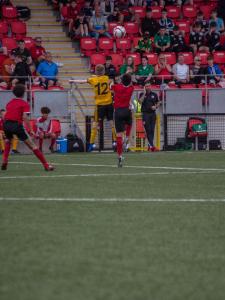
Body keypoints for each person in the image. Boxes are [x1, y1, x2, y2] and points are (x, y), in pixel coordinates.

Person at [1, 84, 54, 171]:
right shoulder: (24, 103)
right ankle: (46, 165)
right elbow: (25, 117)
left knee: (8, 141)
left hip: (6, 124)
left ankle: (5, 160)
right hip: (16, 125)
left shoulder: (9, 103)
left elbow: (7, 115)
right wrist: (31, 130)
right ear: (23, 93)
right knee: (33, 146)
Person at [70, 64, 116, 151]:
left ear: (96, 71)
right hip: (109, 104)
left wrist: (73, 81)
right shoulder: (106, 78)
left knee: (95, 124)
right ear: (103, 71)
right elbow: (111, 82)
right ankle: (115, 141)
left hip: (100, 105)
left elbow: (82, 81)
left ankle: (91, 143)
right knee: (111, 122)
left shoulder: (93, 79)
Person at [111, 73, 134, 167]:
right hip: (127, 111)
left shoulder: (117, 87)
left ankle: (120, 156)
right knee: (130, 123)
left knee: (119, 135)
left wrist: (113, 81)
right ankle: (127, 137)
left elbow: (110, 87)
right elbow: (130, 83)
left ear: (122, 80)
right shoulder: (131, 89)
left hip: (118, 112)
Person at [138, 82, 160, 152]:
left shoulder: (154, 94)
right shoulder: (142, 94)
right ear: (144, 87)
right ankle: (152, 146)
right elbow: (140, 102)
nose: (148, 87)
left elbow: (158, 102)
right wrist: (144, 93)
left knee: (152, 130)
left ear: (151, 86)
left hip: (153, 114)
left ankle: (150, 146)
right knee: (148, 130)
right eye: (146, 86)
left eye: (149, 86)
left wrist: (156, 106)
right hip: (145, 114)